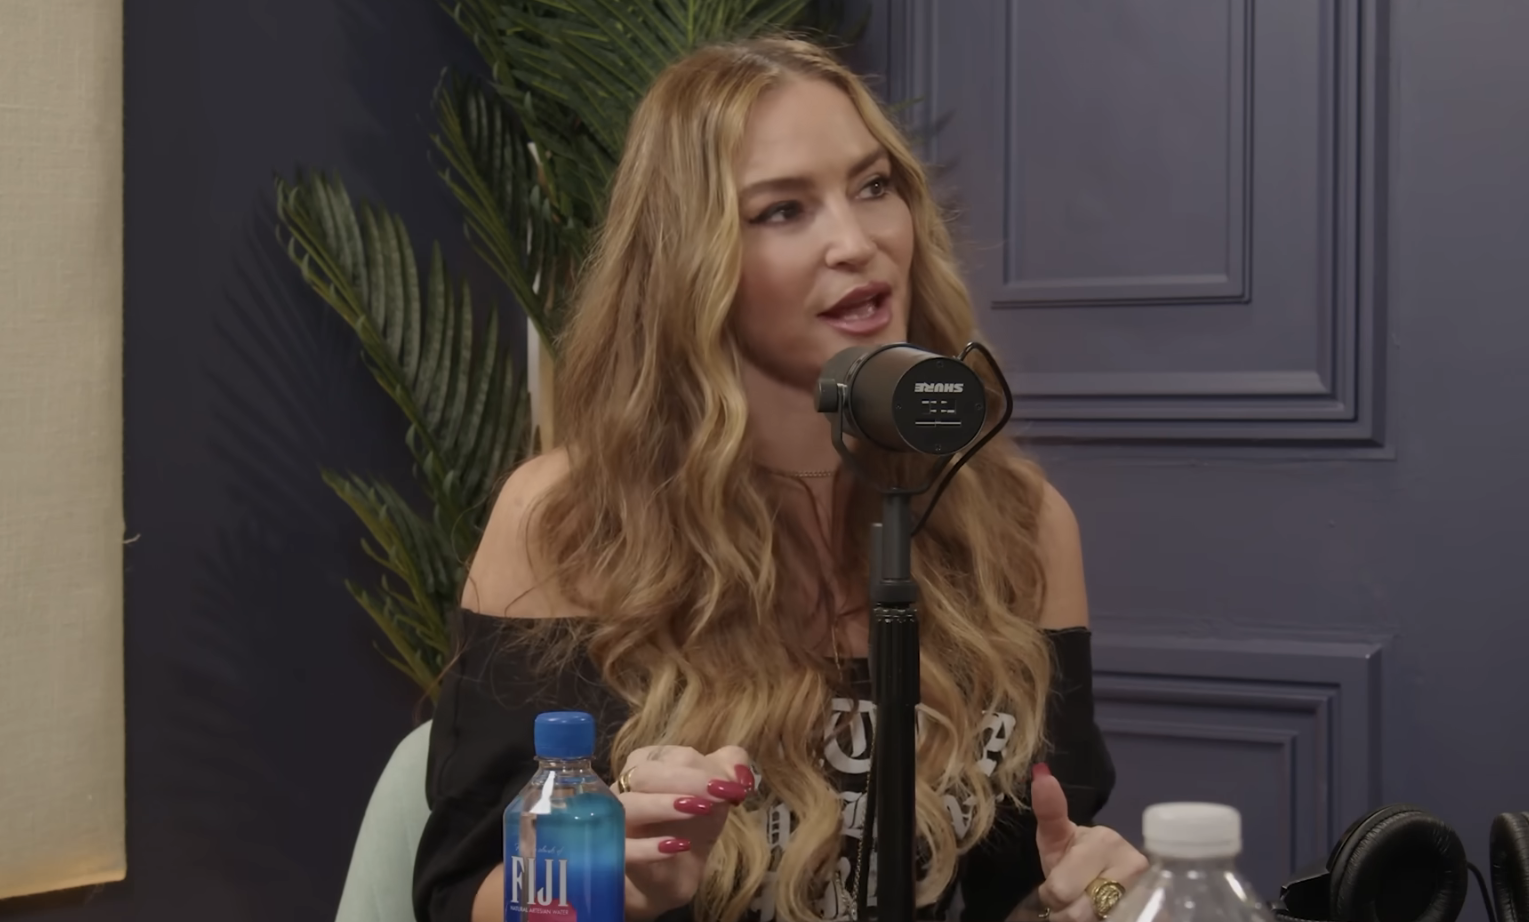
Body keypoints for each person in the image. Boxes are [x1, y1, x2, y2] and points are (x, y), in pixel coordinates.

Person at [410, 34, 1146, 922]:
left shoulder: (1019, 524)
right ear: (692, 261)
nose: (858, 241)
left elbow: (1042, 880)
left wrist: (1102, 892)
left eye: (874, 187)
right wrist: (609, 884)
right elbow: (458, 896)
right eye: (784, 210)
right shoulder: (568, 520)